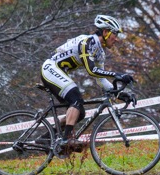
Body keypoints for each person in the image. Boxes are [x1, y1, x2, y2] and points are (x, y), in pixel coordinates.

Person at [40, 14, 135, 152]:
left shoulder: (100, 52)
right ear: (105, 32)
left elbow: (101, 79)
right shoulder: (87, 42)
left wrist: (120, 94)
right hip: (50, 68)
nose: (116, 39)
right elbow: (92, 71)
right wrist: (117, 75)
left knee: (80, 113)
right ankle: (66, 140)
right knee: (76, 99)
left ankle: (46, 137)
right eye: (115, 34)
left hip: (59, 72)